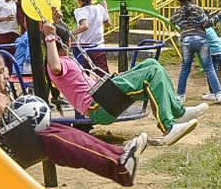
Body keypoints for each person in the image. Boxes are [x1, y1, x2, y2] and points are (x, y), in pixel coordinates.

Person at [0, 49, 147, 186]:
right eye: (0, 71)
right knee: (65, 143)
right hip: (11, 153)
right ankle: (119, 168)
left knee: (73, 135)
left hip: (24, 141)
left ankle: (120, 155)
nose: (7, 75)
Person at [42, 20, 204, 145]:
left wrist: (56, 21)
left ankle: (178, 112)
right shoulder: (56, 64)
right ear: (66, 42)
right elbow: (55, 65)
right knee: (152, 72)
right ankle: (168, 127)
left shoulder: (66, 59)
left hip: (103, 96)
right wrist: (50, 37)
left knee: (151, 64)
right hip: (98, 106)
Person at [171, 0, 221, 104]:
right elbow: (206, 24)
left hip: (186, 41)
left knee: (185, 69)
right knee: (209, 68)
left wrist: (182, 26)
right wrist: (219, 16)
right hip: (201, 39)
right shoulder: (198, 9)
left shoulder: (177, 12)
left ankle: (180, 96)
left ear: (178, 1)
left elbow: (172, 21)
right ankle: (219, 95)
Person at [72, 0, 112, 73]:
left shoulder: (79, 11)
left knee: (83, 75)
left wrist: (70, 33)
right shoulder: (100, 8)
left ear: (78, 0)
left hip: (84, 48)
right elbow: (108, 24)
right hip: (99, 48)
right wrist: (105, 9)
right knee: (104, 75)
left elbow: (85, 26)